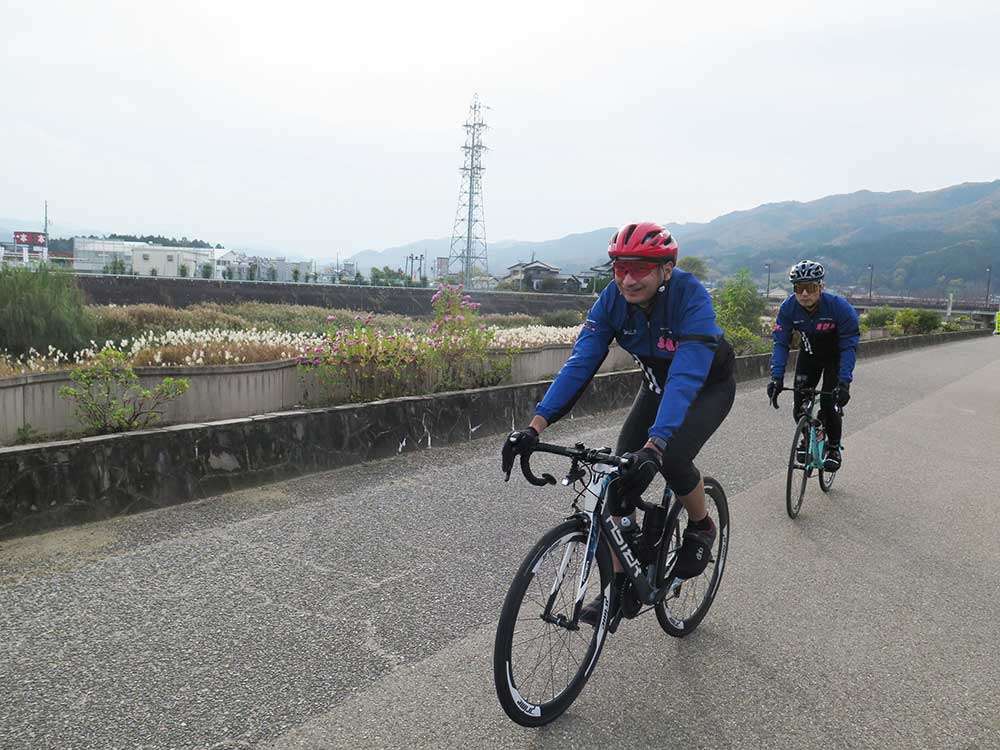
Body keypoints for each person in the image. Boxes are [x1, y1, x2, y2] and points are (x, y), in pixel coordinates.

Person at [500, 222, 736, 626]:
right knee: (617, 479)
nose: (628, 278)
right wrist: (535, 427)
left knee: (674, 457)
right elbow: (580, 363)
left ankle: (701, 526)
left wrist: (656, 445)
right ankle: (619, 588)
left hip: (705, 388)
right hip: (656, 387)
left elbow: (684, 378)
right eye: (620, 268)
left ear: (665, 269)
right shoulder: (612, 300)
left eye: (640, 268)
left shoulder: (690, 297)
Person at [767, 260, 860, 471]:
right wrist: (776, 377)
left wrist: (844, 382)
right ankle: (810, 435)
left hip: (836, 358)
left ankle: (834, 448)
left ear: (821, 287)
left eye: (811, 288)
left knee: (829, 404)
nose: (805, 294)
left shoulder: (839, 307)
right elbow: (780, 343)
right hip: (809, 355)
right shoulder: (788, 308)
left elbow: (849, 346)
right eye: (799, 288)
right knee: (798, 407)